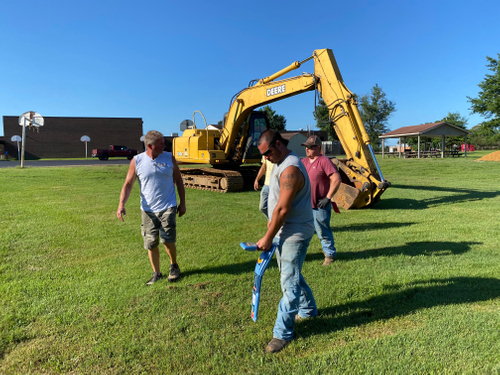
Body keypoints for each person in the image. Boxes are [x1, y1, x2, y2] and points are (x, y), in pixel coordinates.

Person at [255, 130, 317, 354]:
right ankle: (308, 310)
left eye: (267, 152)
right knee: (291, 275)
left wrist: (268, 237)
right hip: (284, 231)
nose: (265, 158)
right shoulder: (280, 163)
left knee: (288, 283)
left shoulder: (290, 168)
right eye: (263, 154)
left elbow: (282, 209)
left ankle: (282, 334)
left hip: (295, 232)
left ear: (279, 145)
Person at [117, 130, 186, 285]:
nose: (164, 146)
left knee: (167, 240)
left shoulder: (169, 158)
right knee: (150, 242)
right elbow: (128, 184)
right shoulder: (137, 161)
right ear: (150, 146)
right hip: (147, 209)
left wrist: (183, 203)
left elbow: (179, 181)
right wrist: (121, 204)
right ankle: (156, 273)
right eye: (161, 144)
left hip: (168, 206)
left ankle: (173, 266)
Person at [300, 135, 341, 266]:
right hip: (305, 204)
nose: (307, 150)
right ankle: (300, 254)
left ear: (318, 147)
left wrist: (328, 197)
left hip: (319, 205)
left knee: (323, 230)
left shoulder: (324, 161)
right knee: (303, 231)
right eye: (306, 147)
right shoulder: (304, 162)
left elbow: (336, 179)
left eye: (310, 147)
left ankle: (329, 255)